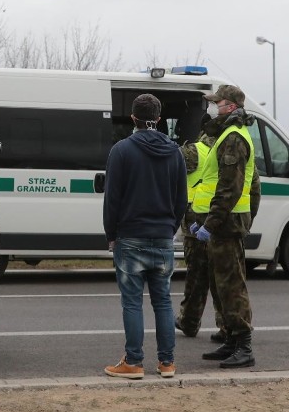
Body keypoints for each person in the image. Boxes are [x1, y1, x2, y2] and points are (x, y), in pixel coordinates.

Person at [103, 94, 187, 380]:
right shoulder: (174, 152)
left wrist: (111, 234)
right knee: (163, 300)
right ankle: (167, 363)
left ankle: (134, 362)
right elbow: (181, 199)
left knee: (132, 302)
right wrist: (169, 228)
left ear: (133, 118)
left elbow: (112, 198)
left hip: (130, 236)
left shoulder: (121, 151)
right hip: (162, 236)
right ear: (159, 119)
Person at [191, 85, 261, 368]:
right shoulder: (226, 135)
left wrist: (212, 222)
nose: (213, 107)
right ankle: (231, 341)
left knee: (232, 286)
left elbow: (229, 188)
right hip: (223, 223)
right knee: (221, 285)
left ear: (230, 106)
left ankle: (243, 345)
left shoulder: (233, 138)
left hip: (225, 224)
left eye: (217, 102)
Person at [174, 119, 227, 342]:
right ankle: (227, 326)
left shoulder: (193, 151)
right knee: (221, 278)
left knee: (196, 276)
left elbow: (169, 170)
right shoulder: (227, 147)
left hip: (196, 221)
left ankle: (190, 320)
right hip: (221, 220)